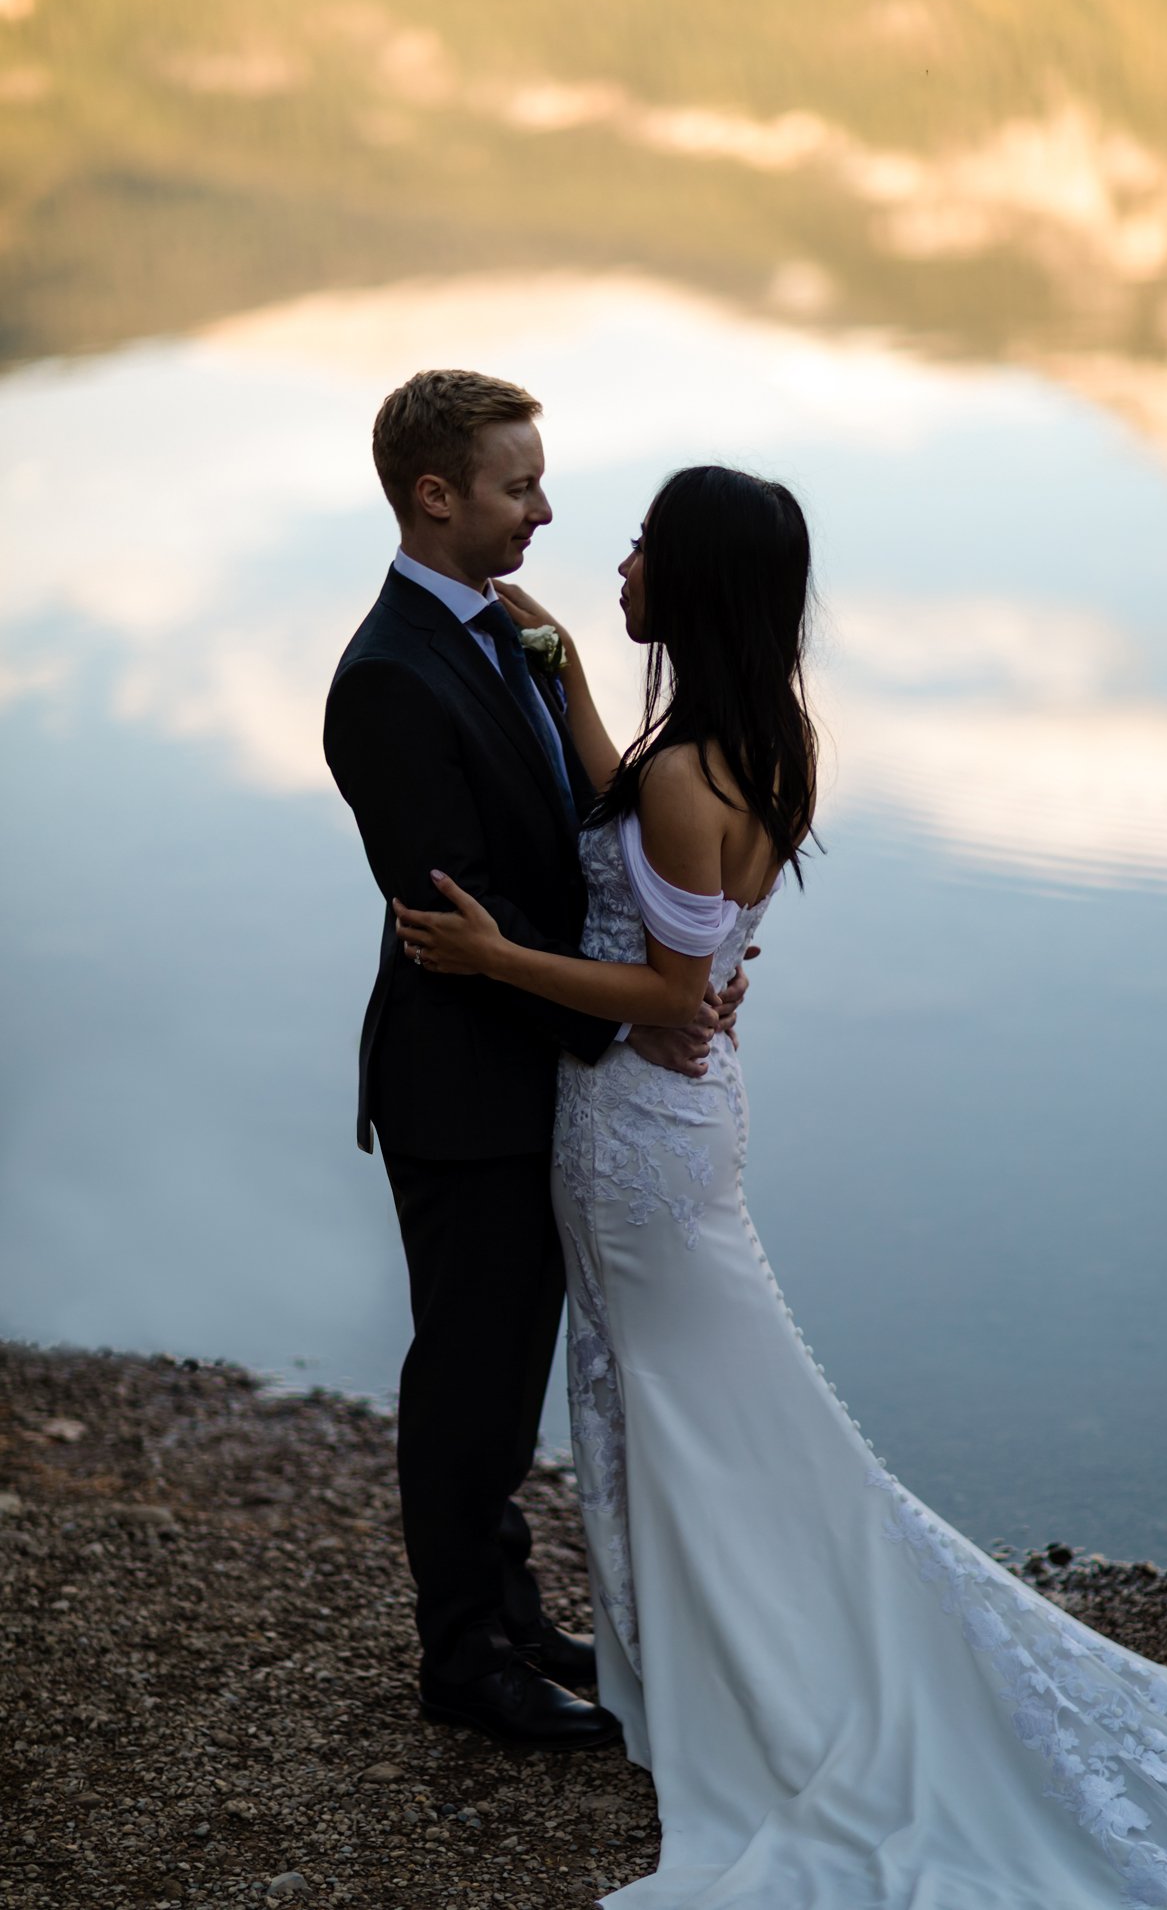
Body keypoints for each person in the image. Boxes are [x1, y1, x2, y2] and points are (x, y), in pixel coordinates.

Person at [396, 464, 1167, 1908]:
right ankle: (700, 1657)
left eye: (637, 549)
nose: (613, 561)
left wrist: (498, 959)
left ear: (688, 582)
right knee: (695, 1405)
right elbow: (638, 847)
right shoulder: (736, 740)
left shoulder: (692, 773)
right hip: (662, 1127)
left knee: (704, 1416)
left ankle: (764, 1676)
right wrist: (558, 658)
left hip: (639, 1132)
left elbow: (664, 989)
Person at [323, 371, 749, 1755]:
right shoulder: (388, 678)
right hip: (466, 1083)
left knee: (505, 1373)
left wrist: (674, 972)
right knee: (467, 1378)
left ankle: (508, 1608)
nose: (545, 509)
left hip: (541, 1068)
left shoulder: (509, 634)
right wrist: (637, 1007)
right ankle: (462, 1659)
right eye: (518, 487)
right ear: (434, 495)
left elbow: (584, 832)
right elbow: (465, 919)